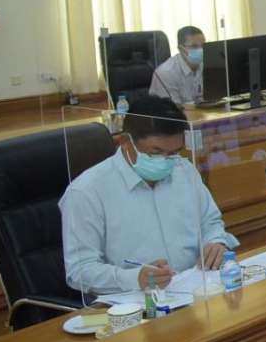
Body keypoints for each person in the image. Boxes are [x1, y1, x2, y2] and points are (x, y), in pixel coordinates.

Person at [61, 93, 239, 293]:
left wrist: (216, 242)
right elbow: (80, 271)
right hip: (134, 300)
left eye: (173, 153)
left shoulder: (183, 170)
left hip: (195, 289)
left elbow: (210, 222)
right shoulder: (86, 192)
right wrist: (134, 278)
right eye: (155, 153)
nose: (165, 161)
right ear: (124, 142)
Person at [149, 25, 205, 106]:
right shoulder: (166, 73)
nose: (201, 50)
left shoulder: (206, 66)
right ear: (181, 49)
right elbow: (174, 109)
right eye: (194, 46)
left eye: (203, 46)